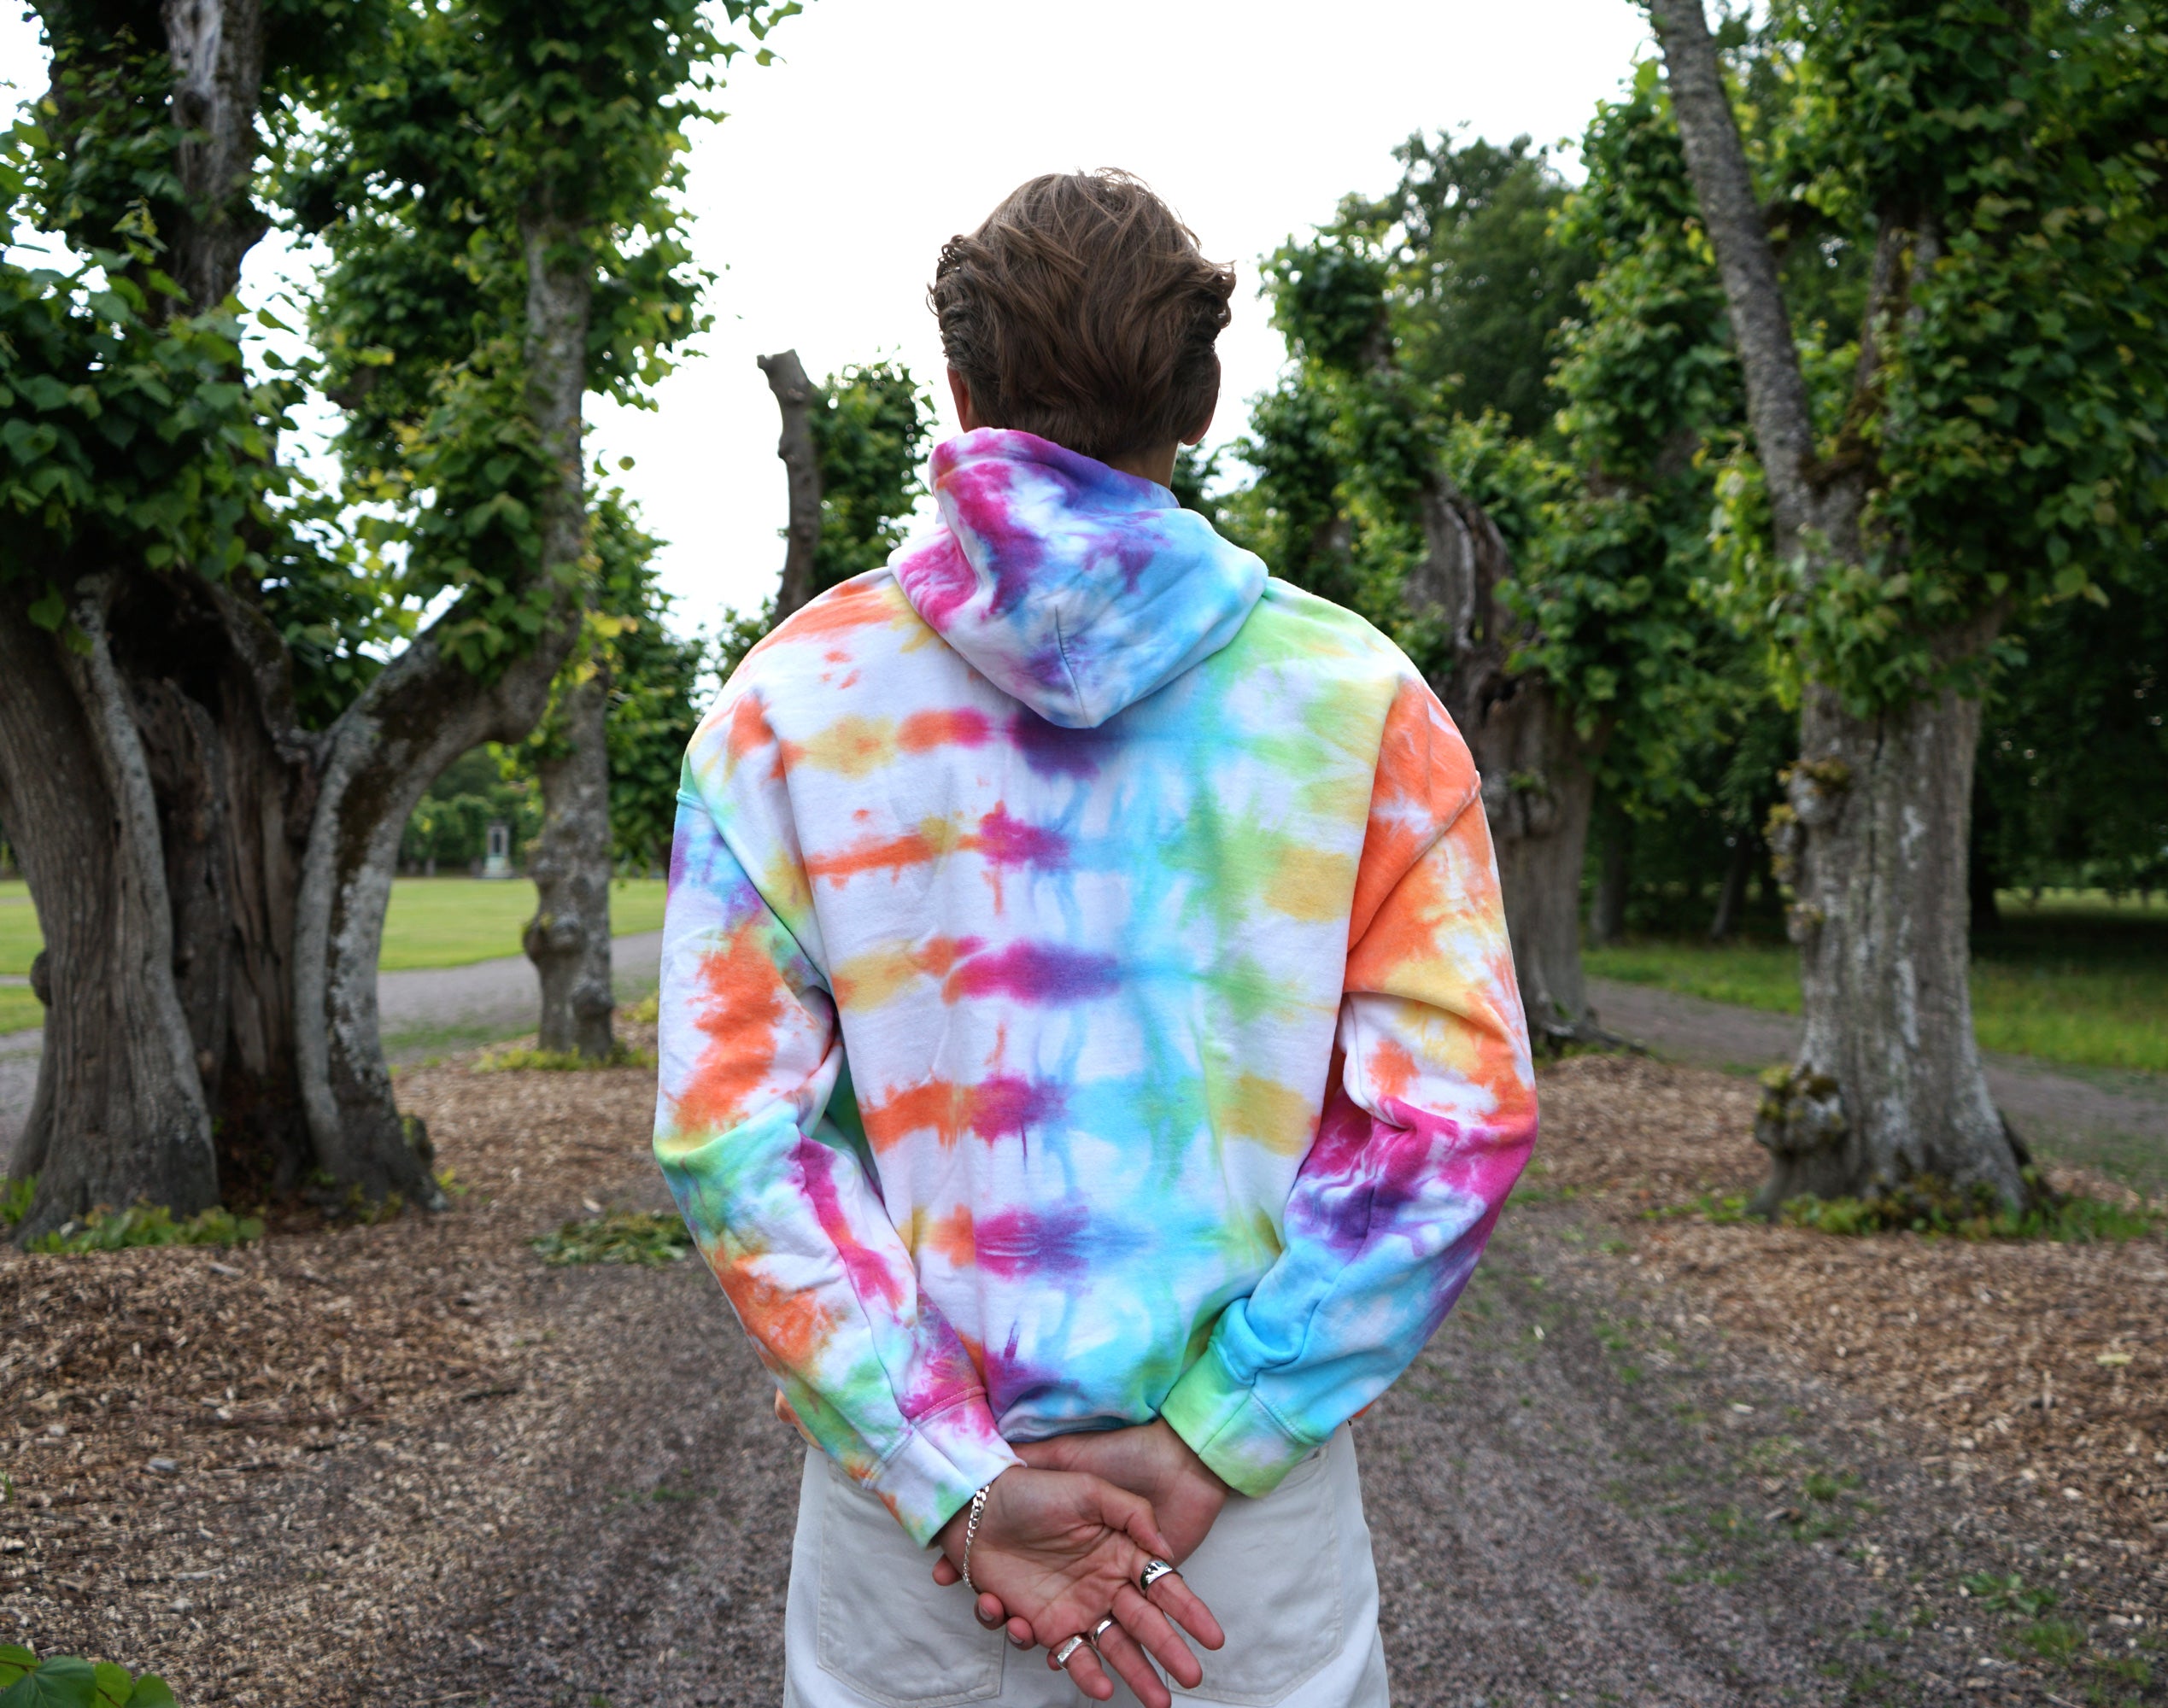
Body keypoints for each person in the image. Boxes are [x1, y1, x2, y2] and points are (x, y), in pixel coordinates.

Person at [653, 169, 1538, 1708]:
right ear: (1199, 402)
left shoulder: (786, 706)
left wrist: (946, 1472)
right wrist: (1216, 1433)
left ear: (960, 389)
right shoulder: (1359, 702)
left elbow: (733, 1140)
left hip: (923, 1554)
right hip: (1230, 1550)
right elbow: (1455, 1126)